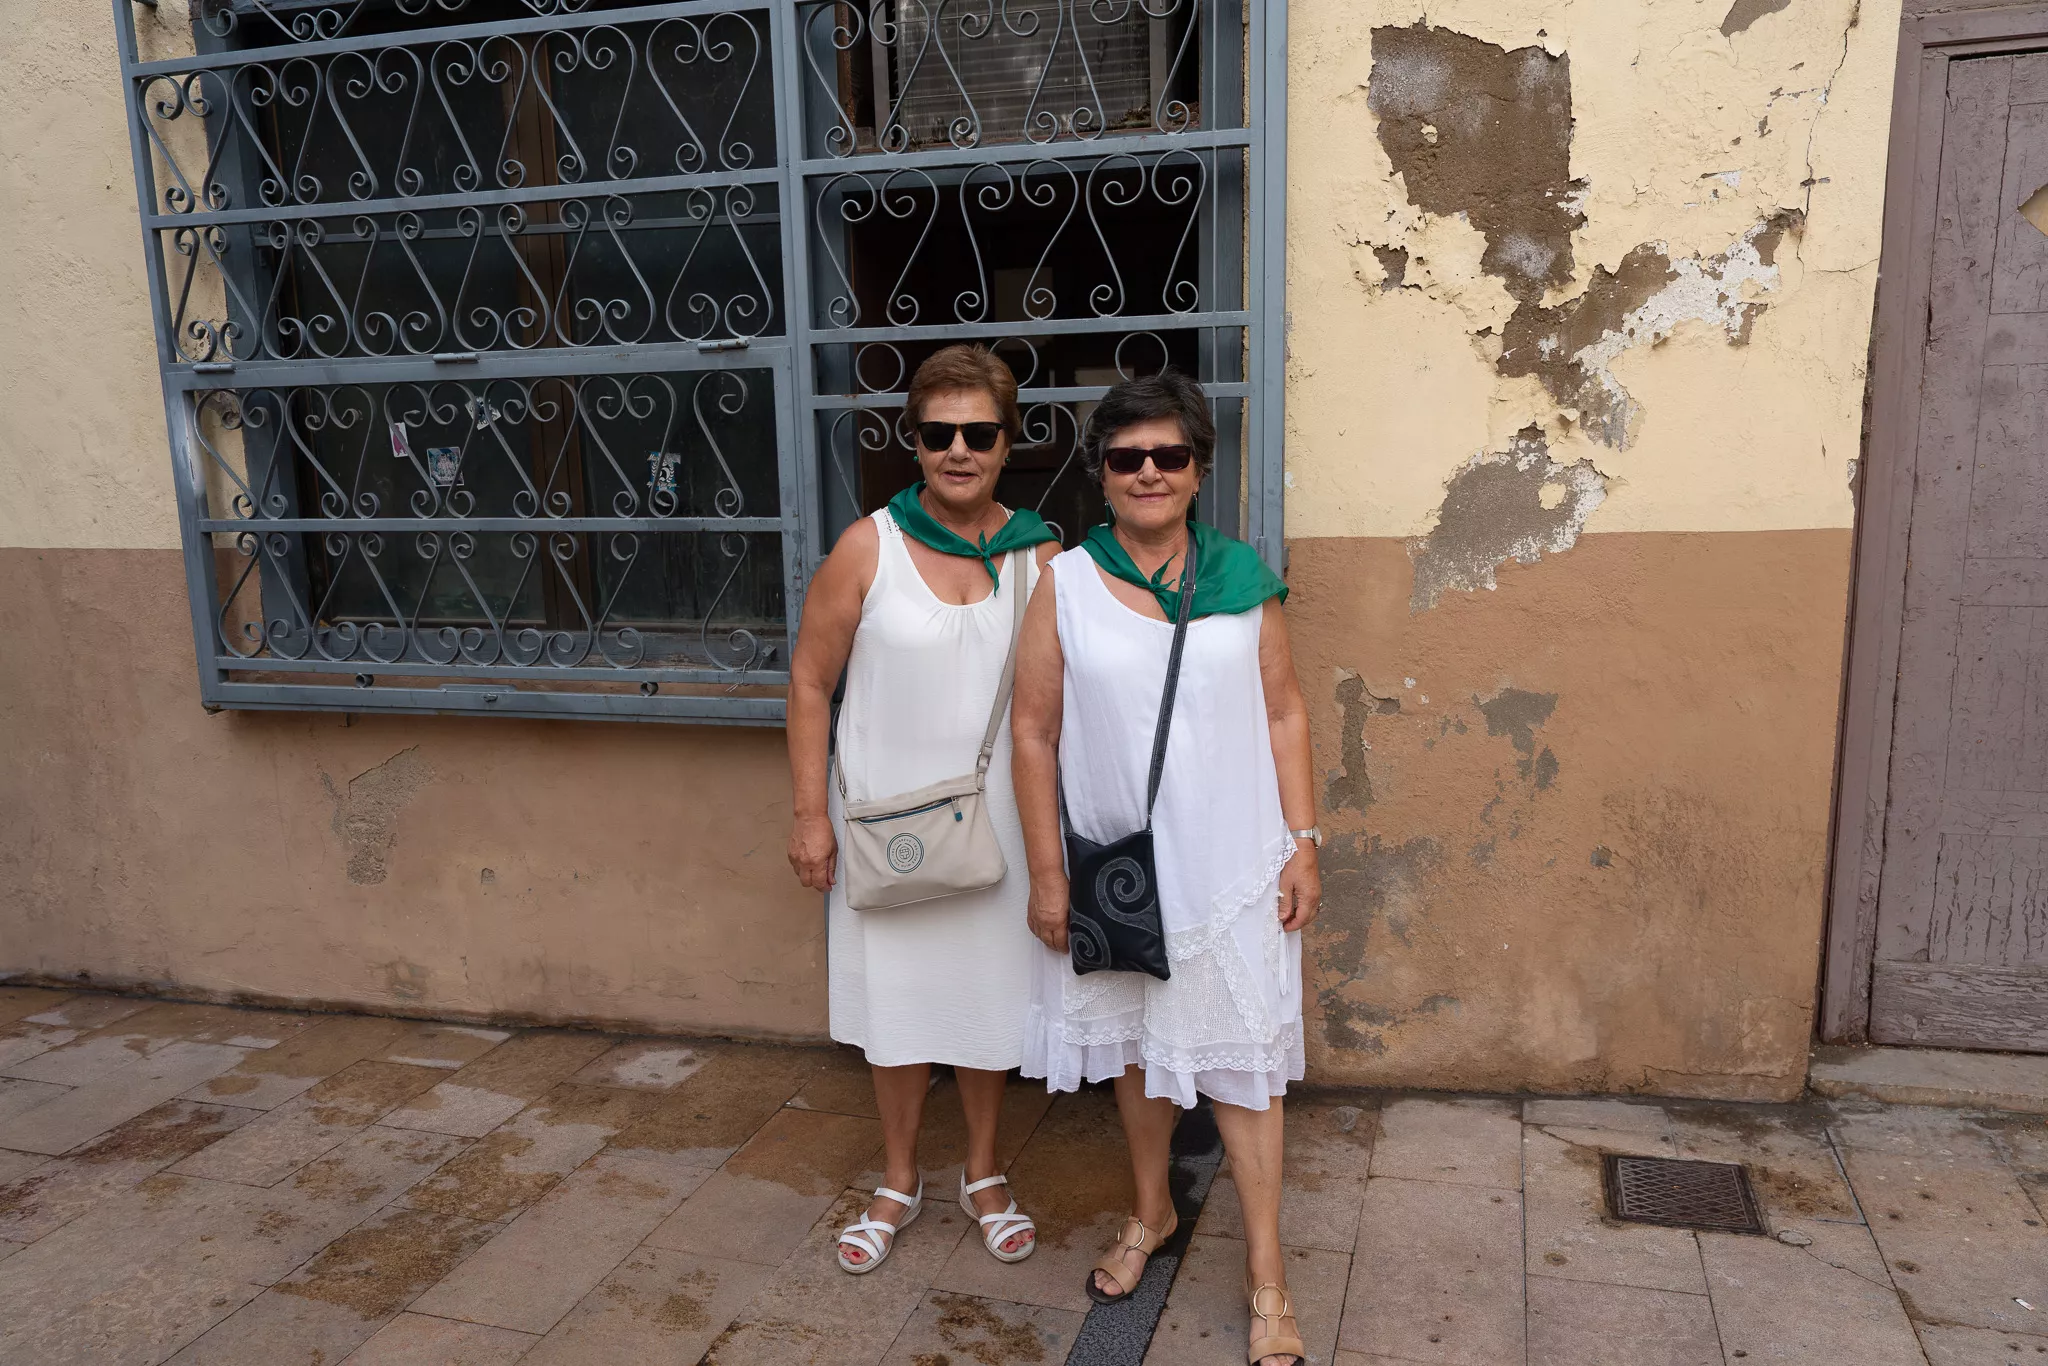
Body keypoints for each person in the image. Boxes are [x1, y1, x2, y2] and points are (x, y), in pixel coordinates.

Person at [1011, 368, 1321, 1366]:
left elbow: (1283, 713)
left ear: (1197, 470)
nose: (1147, 471)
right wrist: (1049, 875)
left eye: (1167, 455)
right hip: (1122, 868)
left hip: (1233, 867)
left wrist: (1304, 839)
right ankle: (1150, 1214)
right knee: (1141, 1056)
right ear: (1100, 474)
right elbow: (1031, 729)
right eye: (1124, 457)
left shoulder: (1244, 581)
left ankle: (1267, 1275)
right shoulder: (1062, 584)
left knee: (1243, 1073)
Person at [786, 344, 1059, 1274]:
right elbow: (810, 684)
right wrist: (807, 815)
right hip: (885, 829)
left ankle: (984, 1174)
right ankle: (898, 1179)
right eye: (937, 434)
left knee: (988, 1005)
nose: (958, 451)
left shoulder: (1041, 554)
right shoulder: (870, 546)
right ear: (913, 443)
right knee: (899, 1008)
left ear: (1006, 441)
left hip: (999, 833)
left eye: (977, 433)